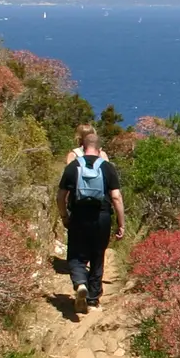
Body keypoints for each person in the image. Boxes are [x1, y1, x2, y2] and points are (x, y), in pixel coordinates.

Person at [56, 124, 124, 313]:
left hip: (78, 215)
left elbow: (60, 196)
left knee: (76, 255)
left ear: (82, 147)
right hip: (102, 217)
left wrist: (64, 216)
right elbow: (117, 197)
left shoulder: (73, 165)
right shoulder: (107, 167)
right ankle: (93, 300)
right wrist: (121, 223)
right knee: (97, 256)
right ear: (99, 149)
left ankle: (80, 283)